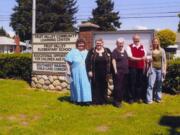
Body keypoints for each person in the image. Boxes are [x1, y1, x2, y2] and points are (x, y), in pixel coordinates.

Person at [65, 38, 92, 105]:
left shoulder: (87, 52)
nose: (81, 45)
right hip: (75, 72)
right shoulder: (73, 51)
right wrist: (68, 70)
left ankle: (86, 100)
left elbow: (91, 62)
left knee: (86, 86)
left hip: (85, 72)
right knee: (76, 85)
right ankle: (76, 99)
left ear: (84, 44)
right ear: (77, 44)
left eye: (82, 43)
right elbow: (67, 62)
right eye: (79, 43)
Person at [86, 38, 112, 105]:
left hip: (105, 72)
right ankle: (95, 101)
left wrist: (110, 71)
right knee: (95, 87)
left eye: (100, 43)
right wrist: (89, 71)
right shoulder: (92, 51)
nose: (98, 44)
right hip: (95, 72)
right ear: (95, 44)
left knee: (104, 87)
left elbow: (111, 60)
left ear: (102, 43)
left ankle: (104, 101)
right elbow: (87, 61)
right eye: (97, 43)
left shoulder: (107, 50)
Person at [126, 34, 146, 103]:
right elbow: (130, 57)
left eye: (138, 39)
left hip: (140, 67)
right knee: (132, 83)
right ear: (133, 39)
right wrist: (140, 58)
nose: (137, 40)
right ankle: (131, 98)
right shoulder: (129, 47)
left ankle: (138, 98)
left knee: (139, 83)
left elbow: (145, 56)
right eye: (135, 39)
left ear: (139, 39)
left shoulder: (142, 46)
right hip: (132, 67)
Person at [146, 37, 167, 104]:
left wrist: (164, 70)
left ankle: (158, 98)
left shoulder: (162, 50)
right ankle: (149, 100)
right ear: (152, 43)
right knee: (150, 85)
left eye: (156, 41)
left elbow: (164, 61)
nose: (155, 43)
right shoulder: (150, 50)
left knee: (159, 84)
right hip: (152, 69)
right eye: (154, 42)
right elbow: (147, 61)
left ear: (158, 42)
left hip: (160, 70)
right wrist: (148, 60)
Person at [112, 38, 129, 107]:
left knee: (123, 87)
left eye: (122, 43)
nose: (121, 44)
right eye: (119, 43)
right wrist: (115, 70)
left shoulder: (124, 51)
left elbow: (127, 59)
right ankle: (116, 101)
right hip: (118, 72)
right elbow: (113, 61)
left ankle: (120, 99)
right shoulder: (115, 51)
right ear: (117, 44)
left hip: (125, 72)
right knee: (117, 87)